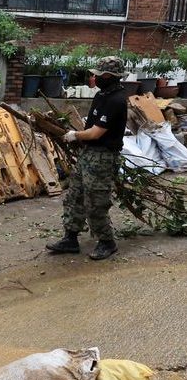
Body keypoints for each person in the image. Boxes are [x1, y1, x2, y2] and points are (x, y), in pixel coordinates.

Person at [46, 56, 128, 261]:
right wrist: (81, 138)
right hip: (88, 154)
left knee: (95, 202)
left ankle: (107, 242)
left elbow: (95, 133)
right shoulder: (101, 95)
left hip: (103, 158)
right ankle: (70, 239)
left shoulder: (116, 100)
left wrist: (74, 136)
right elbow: (90, 128)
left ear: (109, 76)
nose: (94, 77)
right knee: (74, 196)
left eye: (97, 75)